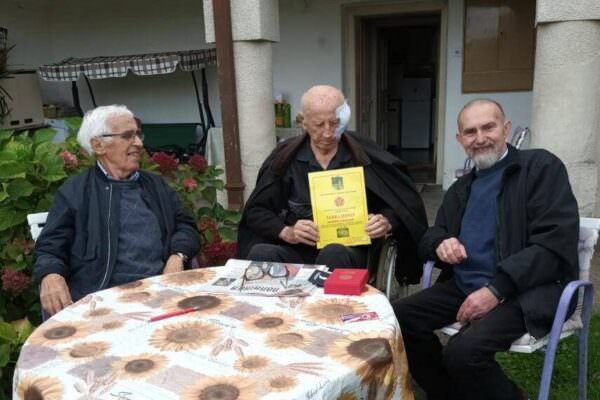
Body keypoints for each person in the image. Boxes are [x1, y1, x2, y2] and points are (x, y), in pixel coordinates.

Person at [392, 99, 579, 400]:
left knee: (463, 354)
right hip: (465, 286)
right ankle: (447, 393)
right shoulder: (462, 188)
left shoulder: (540, 167)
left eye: (488, 127)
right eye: (470, 132)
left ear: (506, 128)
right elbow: (432, 234)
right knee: (396, 319)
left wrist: (496, 289)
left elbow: (554, 243)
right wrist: (441, 242)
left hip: (527, 290)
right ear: (460, 139)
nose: (480, 138)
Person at [237, 85, 428, 283]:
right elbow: (256, 211)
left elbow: (400, 203)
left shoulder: (363, 154)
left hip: (349, 251)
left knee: (334, 252)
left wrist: (385, 221)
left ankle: (328, 303)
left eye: (335, 123)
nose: (328, 133)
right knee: (262, 252)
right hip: (297, 252)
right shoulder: (285, 159)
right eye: (319, 125)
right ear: (304, 122)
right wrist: (287, 231)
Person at [33, 105, 200, 316]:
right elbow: (49, 246)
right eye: (128, 136)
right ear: (98, 145)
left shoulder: (156, 185)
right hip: (103, 298)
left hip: (160, 291)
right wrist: (50, 274)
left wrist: (177, 256)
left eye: (138, 135)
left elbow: (186, 226)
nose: (139, 143)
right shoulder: (76, 191)